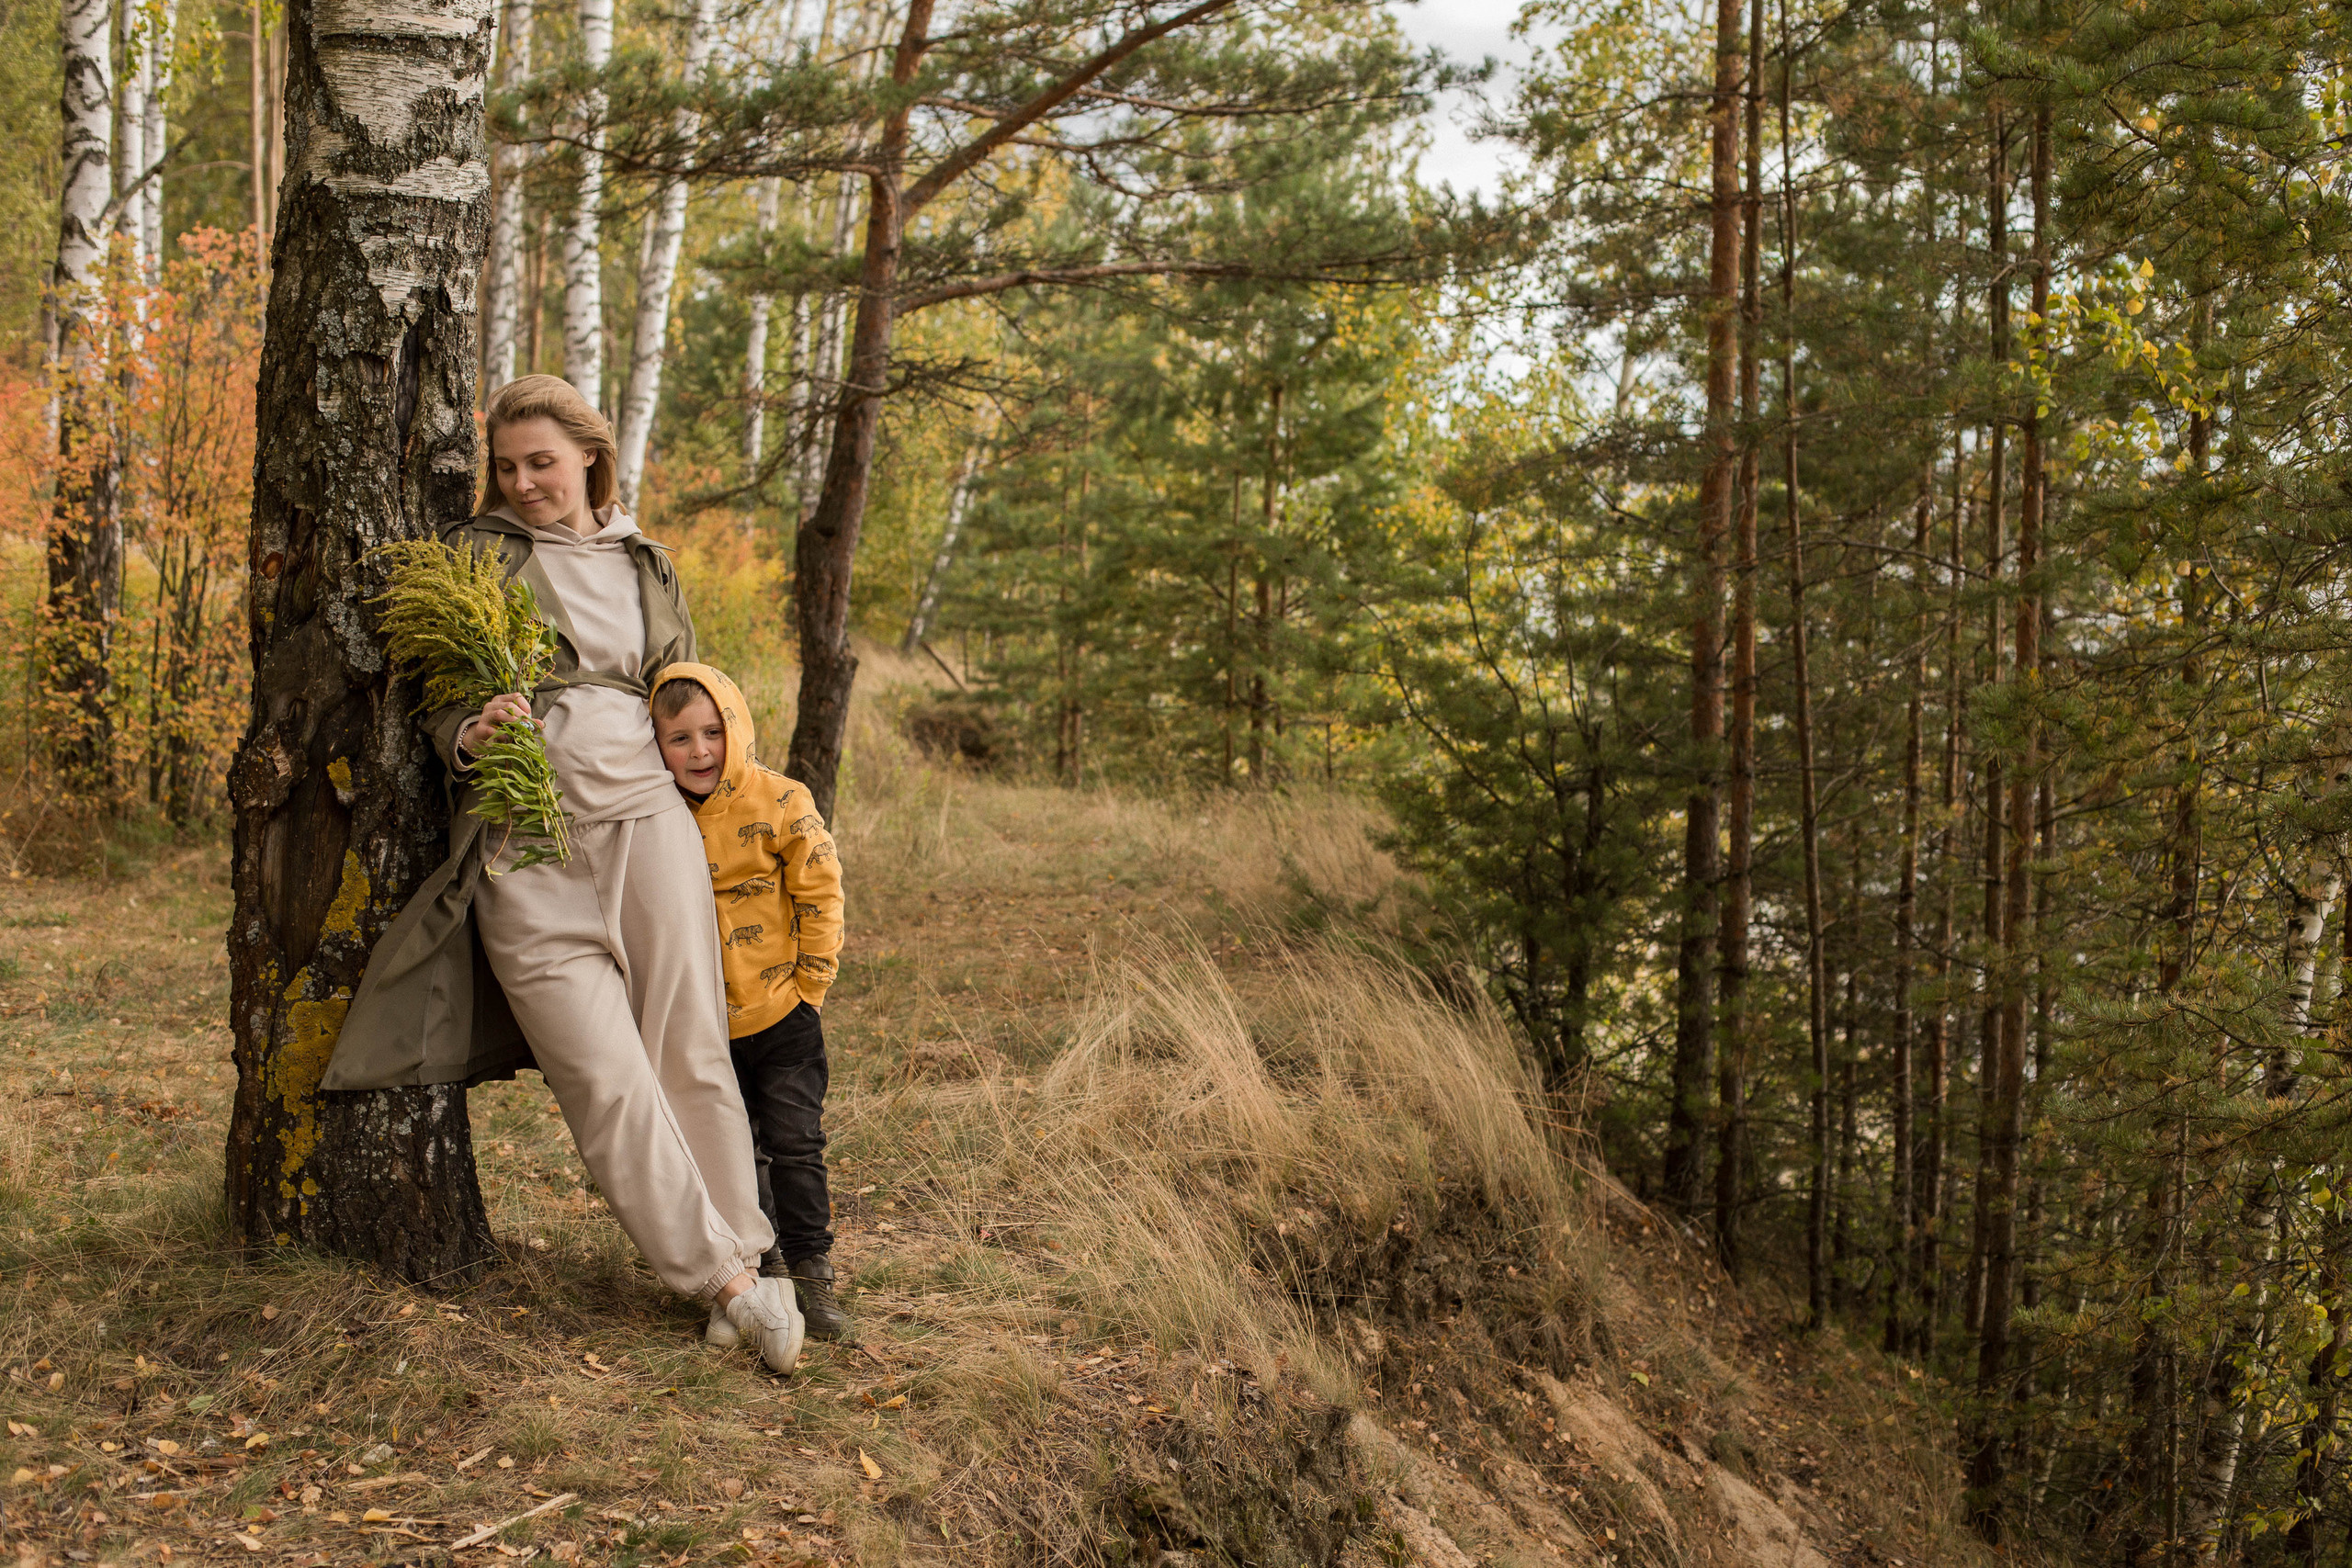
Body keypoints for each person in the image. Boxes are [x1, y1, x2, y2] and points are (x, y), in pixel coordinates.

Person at [322, 375, 804, 1374]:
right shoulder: (474, 555)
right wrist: (471, 731)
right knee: (599, 1076)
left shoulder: (645, 561)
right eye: (506, 467)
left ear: (590, 455)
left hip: (649, 827)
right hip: (522, 847)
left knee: (689, 1049)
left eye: (541, 462)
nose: (523, 482)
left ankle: (747, 1264)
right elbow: (432, 700)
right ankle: (725, 1284)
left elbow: (688, 695)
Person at [646, 663, 851, 1344]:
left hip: (784, 1015)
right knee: (736, 1150)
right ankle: (764, 1270)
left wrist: (811, 987)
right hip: (706, 1024)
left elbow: (820, 890)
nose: (699, 751)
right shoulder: (660, 816)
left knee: (795, 1143)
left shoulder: (782, 799)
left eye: (712, 732)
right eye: (679, 739)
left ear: (734, 726)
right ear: (656, 744)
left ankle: (813, 1268)